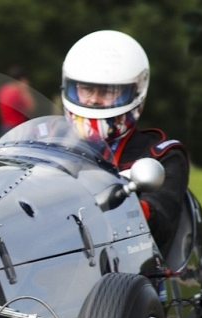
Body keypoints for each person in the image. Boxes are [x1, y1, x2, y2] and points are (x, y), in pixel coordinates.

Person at [61, 29, 189, 256]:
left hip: (124, 265)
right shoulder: (48, 137)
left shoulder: (161, 154)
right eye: (86, 89)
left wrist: (124, 202)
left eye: (107, 92)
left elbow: (162, 222)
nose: (94, 100)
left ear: (136, 92)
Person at [0, 66, 34, 139]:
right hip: (16, 128)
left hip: (4, 126)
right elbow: (31, 107)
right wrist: (26, 90)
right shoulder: (18, 92)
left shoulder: (3, 90)